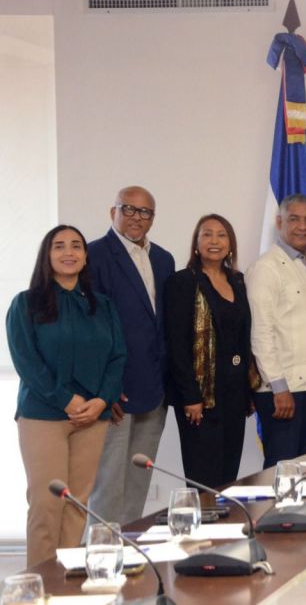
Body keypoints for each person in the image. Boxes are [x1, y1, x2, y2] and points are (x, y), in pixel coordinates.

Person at [6, 226, 126, 566]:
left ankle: (65, 582)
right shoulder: (25, 303)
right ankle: (40, 583)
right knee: (46, 503)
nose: (68, 252)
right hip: (43, 416)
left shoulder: (103, 306)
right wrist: (65, 400)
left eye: (76, 246)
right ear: (47, 255)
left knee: (77, 504)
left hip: (93, 416)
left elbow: (118, 357)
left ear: (85, 256)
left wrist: (102, 400)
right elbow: (26, 361)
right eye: (59, 246)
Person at [87, 186, 175, 525]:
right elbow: (92, 330)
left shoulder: (163, 259)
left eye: (145, 212)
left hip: (154, 389)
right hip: (115, 393)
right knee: (108, 484)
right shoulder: (94, 256)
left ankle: (127, 548)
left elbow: (163, 324)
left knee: (139, 481)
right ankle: (102, 550)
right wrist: (104, 389)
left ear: (153, 218)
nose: (137, 217)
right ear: (113, 212)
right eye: (129, 209)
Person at [164, 214, 252, 487]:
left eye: (222, 235)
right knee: (204, 476)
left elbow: (244, 336)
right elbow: (176, 345)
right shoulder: (182, 282)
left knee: (229, 474)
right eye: (207, 234)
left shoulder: (239, 280)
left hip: (235, 392)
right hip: (201, 397)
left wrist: (248, 390)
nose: (215, 241)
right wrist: (191, 395)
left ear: (231, 244)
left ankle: (225, 516)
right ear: (196, 242)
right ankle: (204, 516)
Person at [248, 194, 306, 468]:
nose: (303, 227)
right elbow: (261, 333)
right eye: (294, 219)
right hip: (282, 391)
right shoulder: (265, 268)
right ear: (279, 222)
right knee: (282, 470)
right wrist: (279, 388)